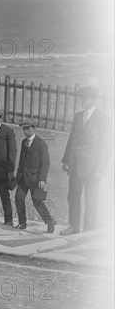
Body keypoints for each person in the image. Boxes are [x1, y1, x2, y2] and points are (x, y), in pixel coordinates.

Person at [60, 86, 111, 235]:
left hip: (92, 167)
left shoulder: (103, 118)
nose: (83, 101)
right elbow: (72, 139)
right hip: (75, 164)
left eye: (86, 98)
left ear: (93, 99)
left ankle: (89, 229)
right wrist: (66, 160)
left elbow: (105, 146)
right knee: (73, 196)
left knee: (91, 199)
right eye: (81, 98)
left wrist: (100, 169)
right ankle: (73, 226)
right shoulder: (78, 116)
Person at [14, 120, 56, 233]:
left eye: (28, 128)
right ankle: (22, 222)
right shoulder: (24, 142)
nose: (26, 131)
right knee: (18, 198)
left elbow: (45, 162)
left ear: (34, 129)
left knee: (37, 201)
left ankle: (50, 222)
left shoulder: (41, 143)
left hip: (36, 179)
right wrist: (18, 177)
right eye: (24, 129)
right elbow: (22, 161)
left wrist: (42, 179)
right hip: (24, 177)